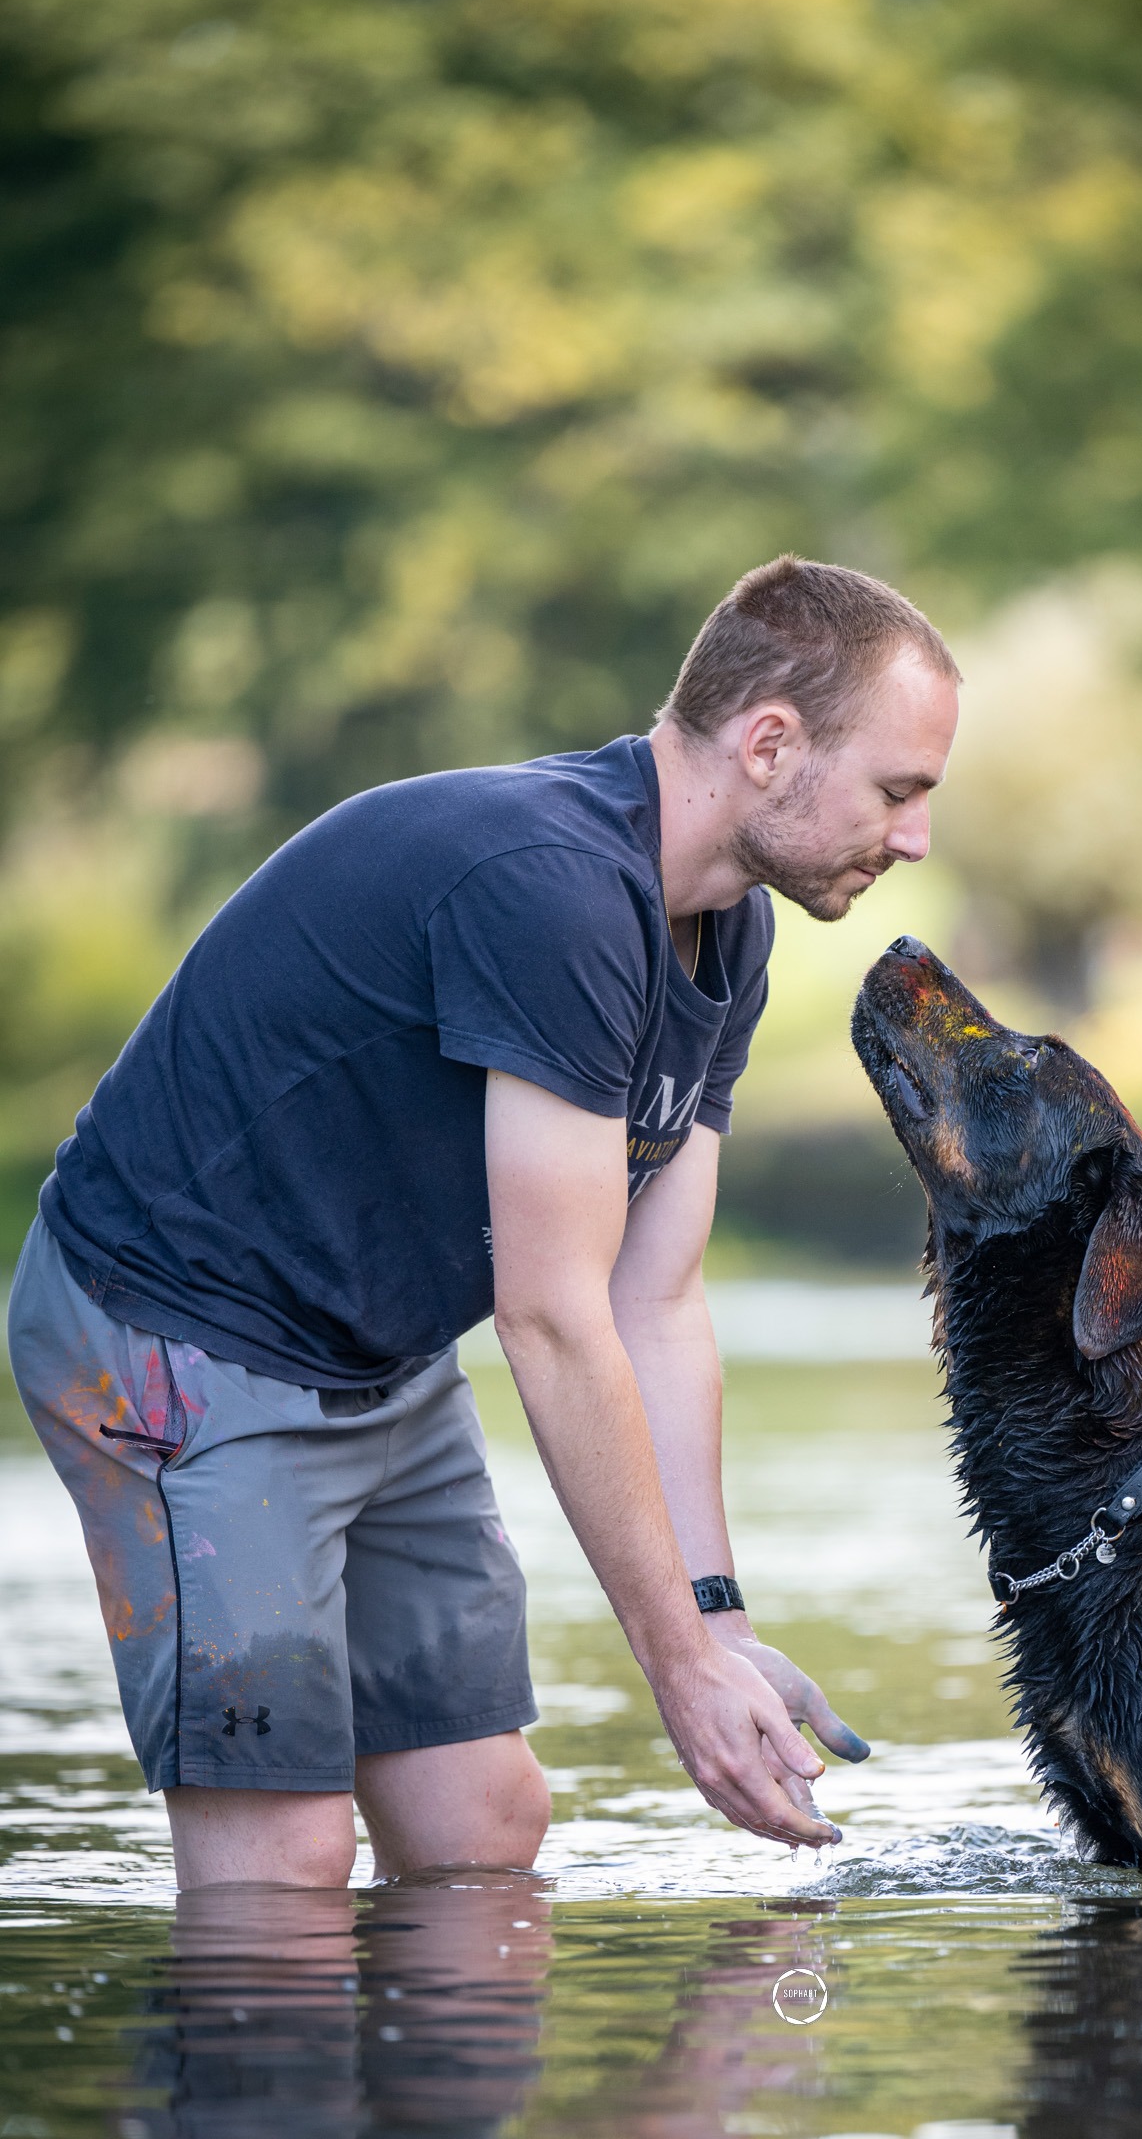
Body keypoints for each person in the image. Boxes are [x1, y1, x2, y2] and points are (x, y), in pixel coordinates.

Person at [7, 556, 961, 1888]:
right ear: (768, 744)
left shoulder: (727, 933)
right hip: (170, 1331)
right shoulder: (558, 891)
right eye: (898, 789)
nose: (913, 836)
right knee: (282, 1857)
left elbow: (654, 1300)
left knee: (483, 1832)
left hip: (370, 1353)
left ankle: (438, 2099)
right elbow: (552, 1318)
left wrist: (717, 1621)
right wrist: (672, 1671)